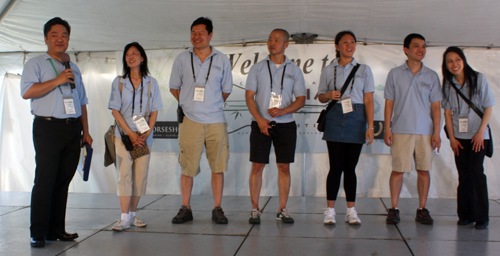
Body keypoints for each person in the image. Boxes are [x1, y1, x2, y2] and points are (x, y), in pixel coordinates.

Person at [20, 17, 93, 247]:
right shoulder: (36, 63)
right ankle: (38, 232)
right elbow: (27, 92)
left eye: (64, 35)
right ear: (46, 38)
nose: (60, 39)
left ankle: (56, 229)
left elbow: (81, 101)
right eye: (55, 35)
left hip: (73, 129)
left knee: (63, 180)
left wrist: (86, 131)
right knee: (45, 180)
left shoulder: (74, 67)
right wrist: (57, 80)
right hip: (48, 127)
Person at [169, 17, 233, 224]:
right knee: (187, 166)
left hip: (216, 120)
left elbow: (226, 90)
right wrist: (189, 104)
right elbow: (174, 87)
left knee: (218, 166)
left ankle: (217, 208)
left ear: (210, 35)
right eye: (193, 33)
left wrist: (210, 105)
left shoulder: (222, 59)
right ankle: (185, 207)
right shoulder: (181, 58)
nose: (196, 37)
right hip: (190, 121)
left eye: (201, 33)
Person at [246, 28, 306, 224]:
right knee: (257, 165)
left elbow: (301, 99)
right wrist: (260, 119)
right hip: (260, 123)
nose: (272, 43)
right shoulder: (258, 68)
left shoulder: (294, 70)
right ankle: (255, 209)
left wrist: (284, 111)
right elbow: (249, 97)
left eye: (277, 40)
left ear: (286, 44)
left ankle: (282, 209)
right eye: (270, 39)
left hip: (286, 124)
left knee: (284, 166)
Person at [384, 33, 442, 225]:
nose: (421, 50)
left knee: (424, 170)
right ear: (406, 50)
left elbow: (436, 106)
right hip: (401, 129)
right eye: (416, 46)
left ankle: (422, 209)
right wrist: (387, 128)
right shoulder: (395, 73)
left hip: (426, 131)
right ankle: (394, 208)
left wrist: (436, 132)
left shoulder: (432, 76)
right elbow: (389, 103)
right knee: (398, 170)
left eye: (423, 46)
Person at [317, 31, 375, 225]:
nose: (349, 45)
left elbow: (368, 99)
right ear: (337, 46)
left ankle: (351, 210)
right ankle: (330, 210)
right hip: (334, 116)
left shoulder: (364, 69)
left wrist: (370, 126)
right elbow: (320, 96)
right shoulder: (328, 69)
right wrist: (328, 96)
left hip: (356, 116)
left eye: (352, 42)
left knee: (350, 168)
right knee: (335, 167)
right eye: (345, 42)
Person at [108, 42, 162, 231]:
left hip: (143, 137)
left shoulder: (151, 83)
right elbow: (115, 111)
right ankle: (123, 218)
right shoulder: (119, 82)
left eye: (135, 53)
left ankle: (132, 215)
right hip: (123, 136)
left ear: (142, 58)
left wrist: (147, 133)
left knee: (139, 176)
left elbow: (155, 111)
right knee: (124, 176)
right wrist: (130, 133)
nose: (131, 57)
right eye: (128, 54)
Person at [441, 46, 494, 229]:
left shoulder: (479, 79)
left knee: (476, 173)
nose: (454, 64)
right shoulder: (448, 84)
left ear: (463, 60)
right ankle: (465, 215)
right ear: (445, 65)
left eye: (457, 59)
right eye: (450, 61)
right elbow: (447, 114)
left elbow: (488, 107)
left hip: (478, 135)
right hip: (459, 138)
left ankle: (482, 217)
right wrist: (452, 138)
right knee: (463, 175)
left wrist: (481, 132)